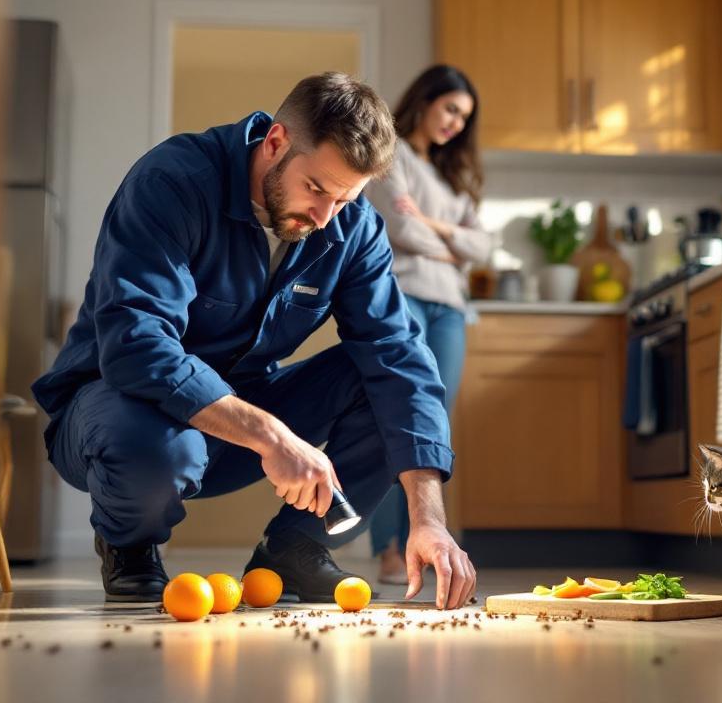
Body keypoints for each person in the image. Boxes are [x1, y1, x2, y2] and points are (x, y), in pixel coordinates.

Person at [31, 72, 476, 609]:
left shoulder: (351, 226)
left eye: (344, 199)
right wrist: (271, 436)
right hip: (116, 415)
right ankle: (129, 544)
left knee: (383, 380)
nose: (324, 218)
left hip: (237, 425)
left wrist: (428, 517)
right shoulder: (173, 181)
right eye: (317, 189)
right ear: (275, 142)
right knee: (156, 446)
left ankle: (294, 550)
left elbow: (400, 360)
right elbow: (136, 343)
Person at [364, 65, 492, 584]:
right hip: (406, 295)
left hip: (450, 309)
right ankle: (389, 549)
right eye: (450, 109)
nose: (455, 123)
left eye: (464, 117)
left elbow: (484, 247)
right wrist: (454, 246)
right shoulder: (391, 154)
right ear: (425, 100)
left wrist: (433, 224)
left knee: (432, 424)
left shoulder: (453, 179)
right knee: (397, 414)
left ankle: (420, 539)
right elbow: (400, 227)